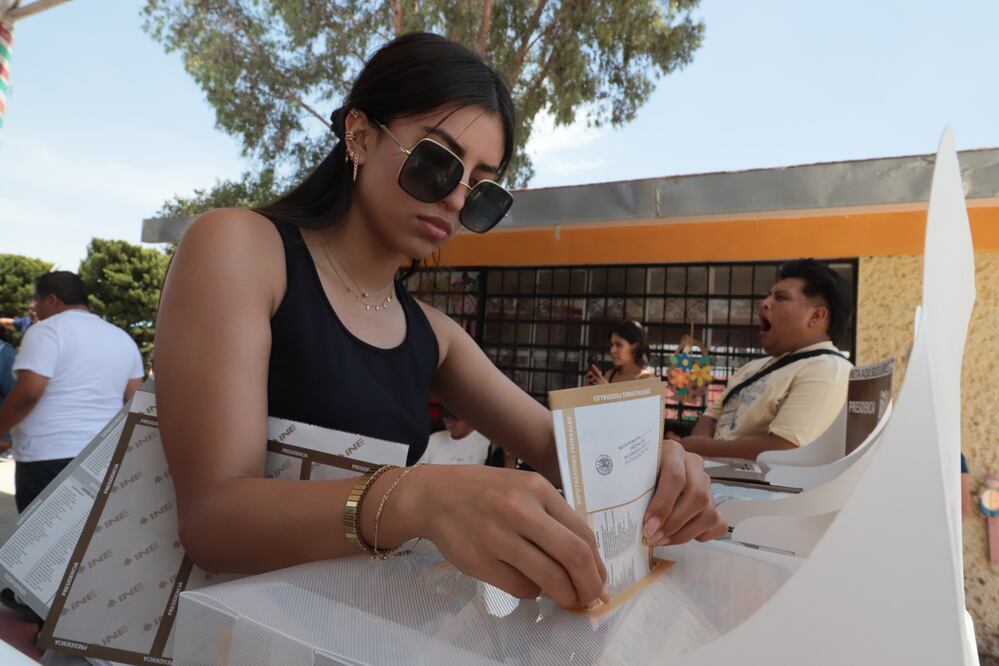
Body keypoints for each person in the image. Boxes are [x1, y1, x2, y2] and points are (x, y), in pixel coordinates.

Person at [154, 33, 725, 613]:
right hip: (212, 633)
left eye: (482, 191)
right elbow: (211, 519)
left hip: (338, 633)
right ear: (360, 133)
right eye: (436, 162)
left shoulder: (434, 334)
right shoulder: (241, 248)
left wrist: (658, 467)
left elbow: (564, 451)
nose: (455, 200)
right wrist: (417, 499)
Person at [681, 259, 853, 461]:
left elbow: (785, 450)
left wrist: (697, 447)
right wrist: (699, 451)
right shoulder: (752, 367)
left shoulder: (829, 370)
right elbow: (710, 417)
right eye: (769, 295)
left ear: (815, 316)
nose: (765, 303)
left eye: (780, 298)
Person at [0, 272, 145, 511]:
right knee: (88, 543)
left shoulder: (45, 331)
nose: (35, 308)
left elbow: (28, 393)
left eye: (38, 301)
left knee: (44, 544)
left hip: (48, 457)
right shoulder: (122, 338)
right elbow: (133, 402)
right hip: (104, 459)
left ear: (53, 300)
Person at [587, 320, 657, 385]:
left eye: (618, 345)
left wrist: (607, 391)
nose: (612, 350)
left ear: (635, 347)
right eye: (612, 344)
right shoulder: (609, 375)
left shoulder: (647, 379)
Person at [417, 409, 491, 466]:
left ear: (469, 418)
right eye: (446, 419)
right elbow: (418, 468)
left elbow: (473, 476)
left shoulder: (482, 442)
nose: (450, 424)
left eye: (455, 419)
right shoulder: (434, 438)